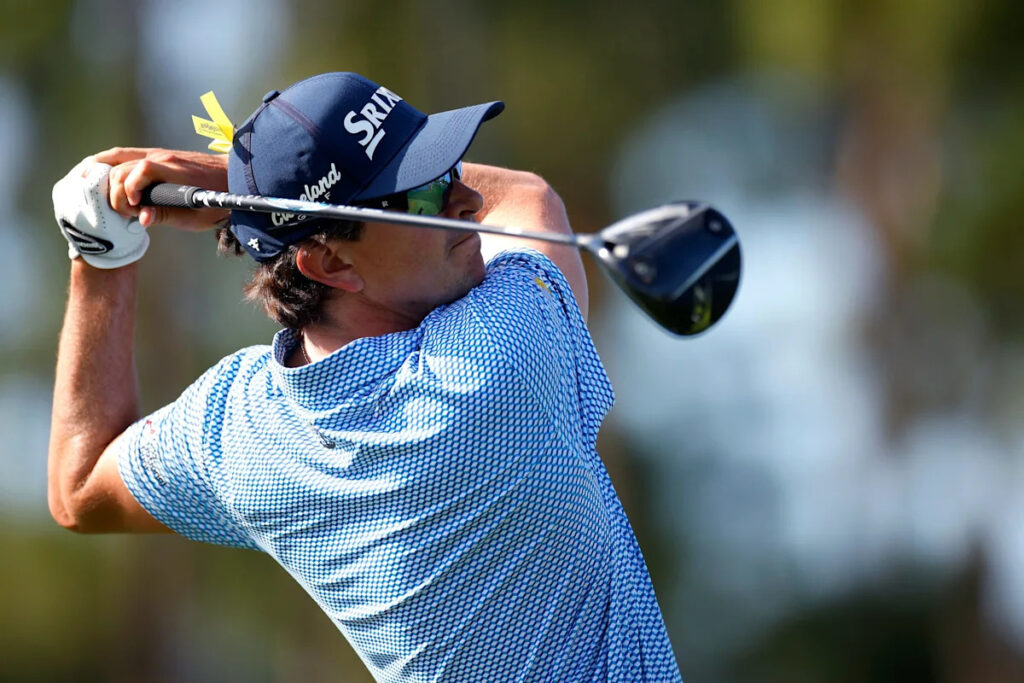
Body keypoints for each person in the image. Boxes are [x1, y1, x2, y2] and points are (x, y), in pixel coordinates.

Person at [48, 71, 681, 682]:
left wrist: (100, 252)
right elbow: (526, 200)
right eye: (425, 193)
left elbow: (78, 487)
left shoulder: (237, 434)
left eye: (450, 169)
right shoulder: (497, 361)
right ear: (329, 262)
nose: (466, 200)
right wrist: (224, 181)